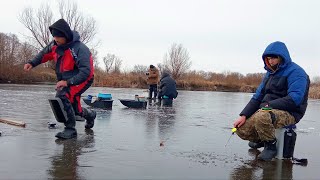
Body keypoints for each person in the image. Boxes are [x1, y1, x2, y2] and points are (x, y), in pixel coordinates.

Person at [233, 41, 310, 161]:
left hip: (290, 112)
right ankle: (261, 140)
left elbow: (295, 99)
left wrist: (269, 105)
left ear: (281, 57)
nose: (270, 61)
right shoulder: (269, 74)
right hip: (267, 110)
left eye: (273, 58)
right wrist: (243, 115)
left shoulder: (297, 72)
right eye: (268, 59)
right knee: (240, 129)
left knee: (262, 117)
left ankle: (270, 146)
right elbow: (257, 97)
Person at [24, 19, 96, 139]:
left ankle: (70, 129)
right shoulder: (55, 45)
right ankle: (90, 115)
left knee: (62, 95)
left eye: (58, 37)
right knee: (75, 110)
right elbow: (43, 54)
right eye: (54, 37)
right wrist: (32, 63)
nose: (55, 39)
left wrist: (67, 82)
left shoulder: (79, 49)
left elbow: (85, 71)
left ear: (66, 36)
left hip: (83, 78)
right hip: (67, 78)